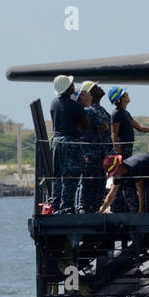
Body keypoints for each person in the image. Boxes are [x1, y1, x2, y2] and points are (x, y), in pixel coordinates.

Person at [108, 87, 149, 213]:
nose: (128, 95)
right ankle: (118, 208)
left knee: (126, 179)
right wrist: (119, 154)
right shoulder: (116, 113)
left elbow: (139, 127)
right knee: (121, 180)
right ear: (120, 98)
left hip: (127, 150)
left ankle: (126, 207)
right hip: (122, 151)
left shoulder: (125, 113)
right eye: (125, 94)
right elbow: (114, 135)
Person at [49, 74, 86, 214]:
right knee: (71, 176)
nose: (73, 86)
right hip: (71, 141)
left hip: (57, 142)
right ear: (67, 88)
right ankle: (67, 207)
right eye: (71, 85)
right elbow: (85, 123)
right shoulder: (74, 105)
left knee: (58, 175)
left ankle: (55, 205)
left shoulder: (53, 103)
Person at [75, 81, 105, 214]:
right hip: (92, 151)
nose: (100, 89)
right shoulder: (90, 110)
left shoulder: (90, 110)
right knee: (89, 180)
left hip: (96, 151)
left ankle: (88, 207)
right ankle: (85, 207)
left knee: (94, 180)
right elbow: (103, 127)